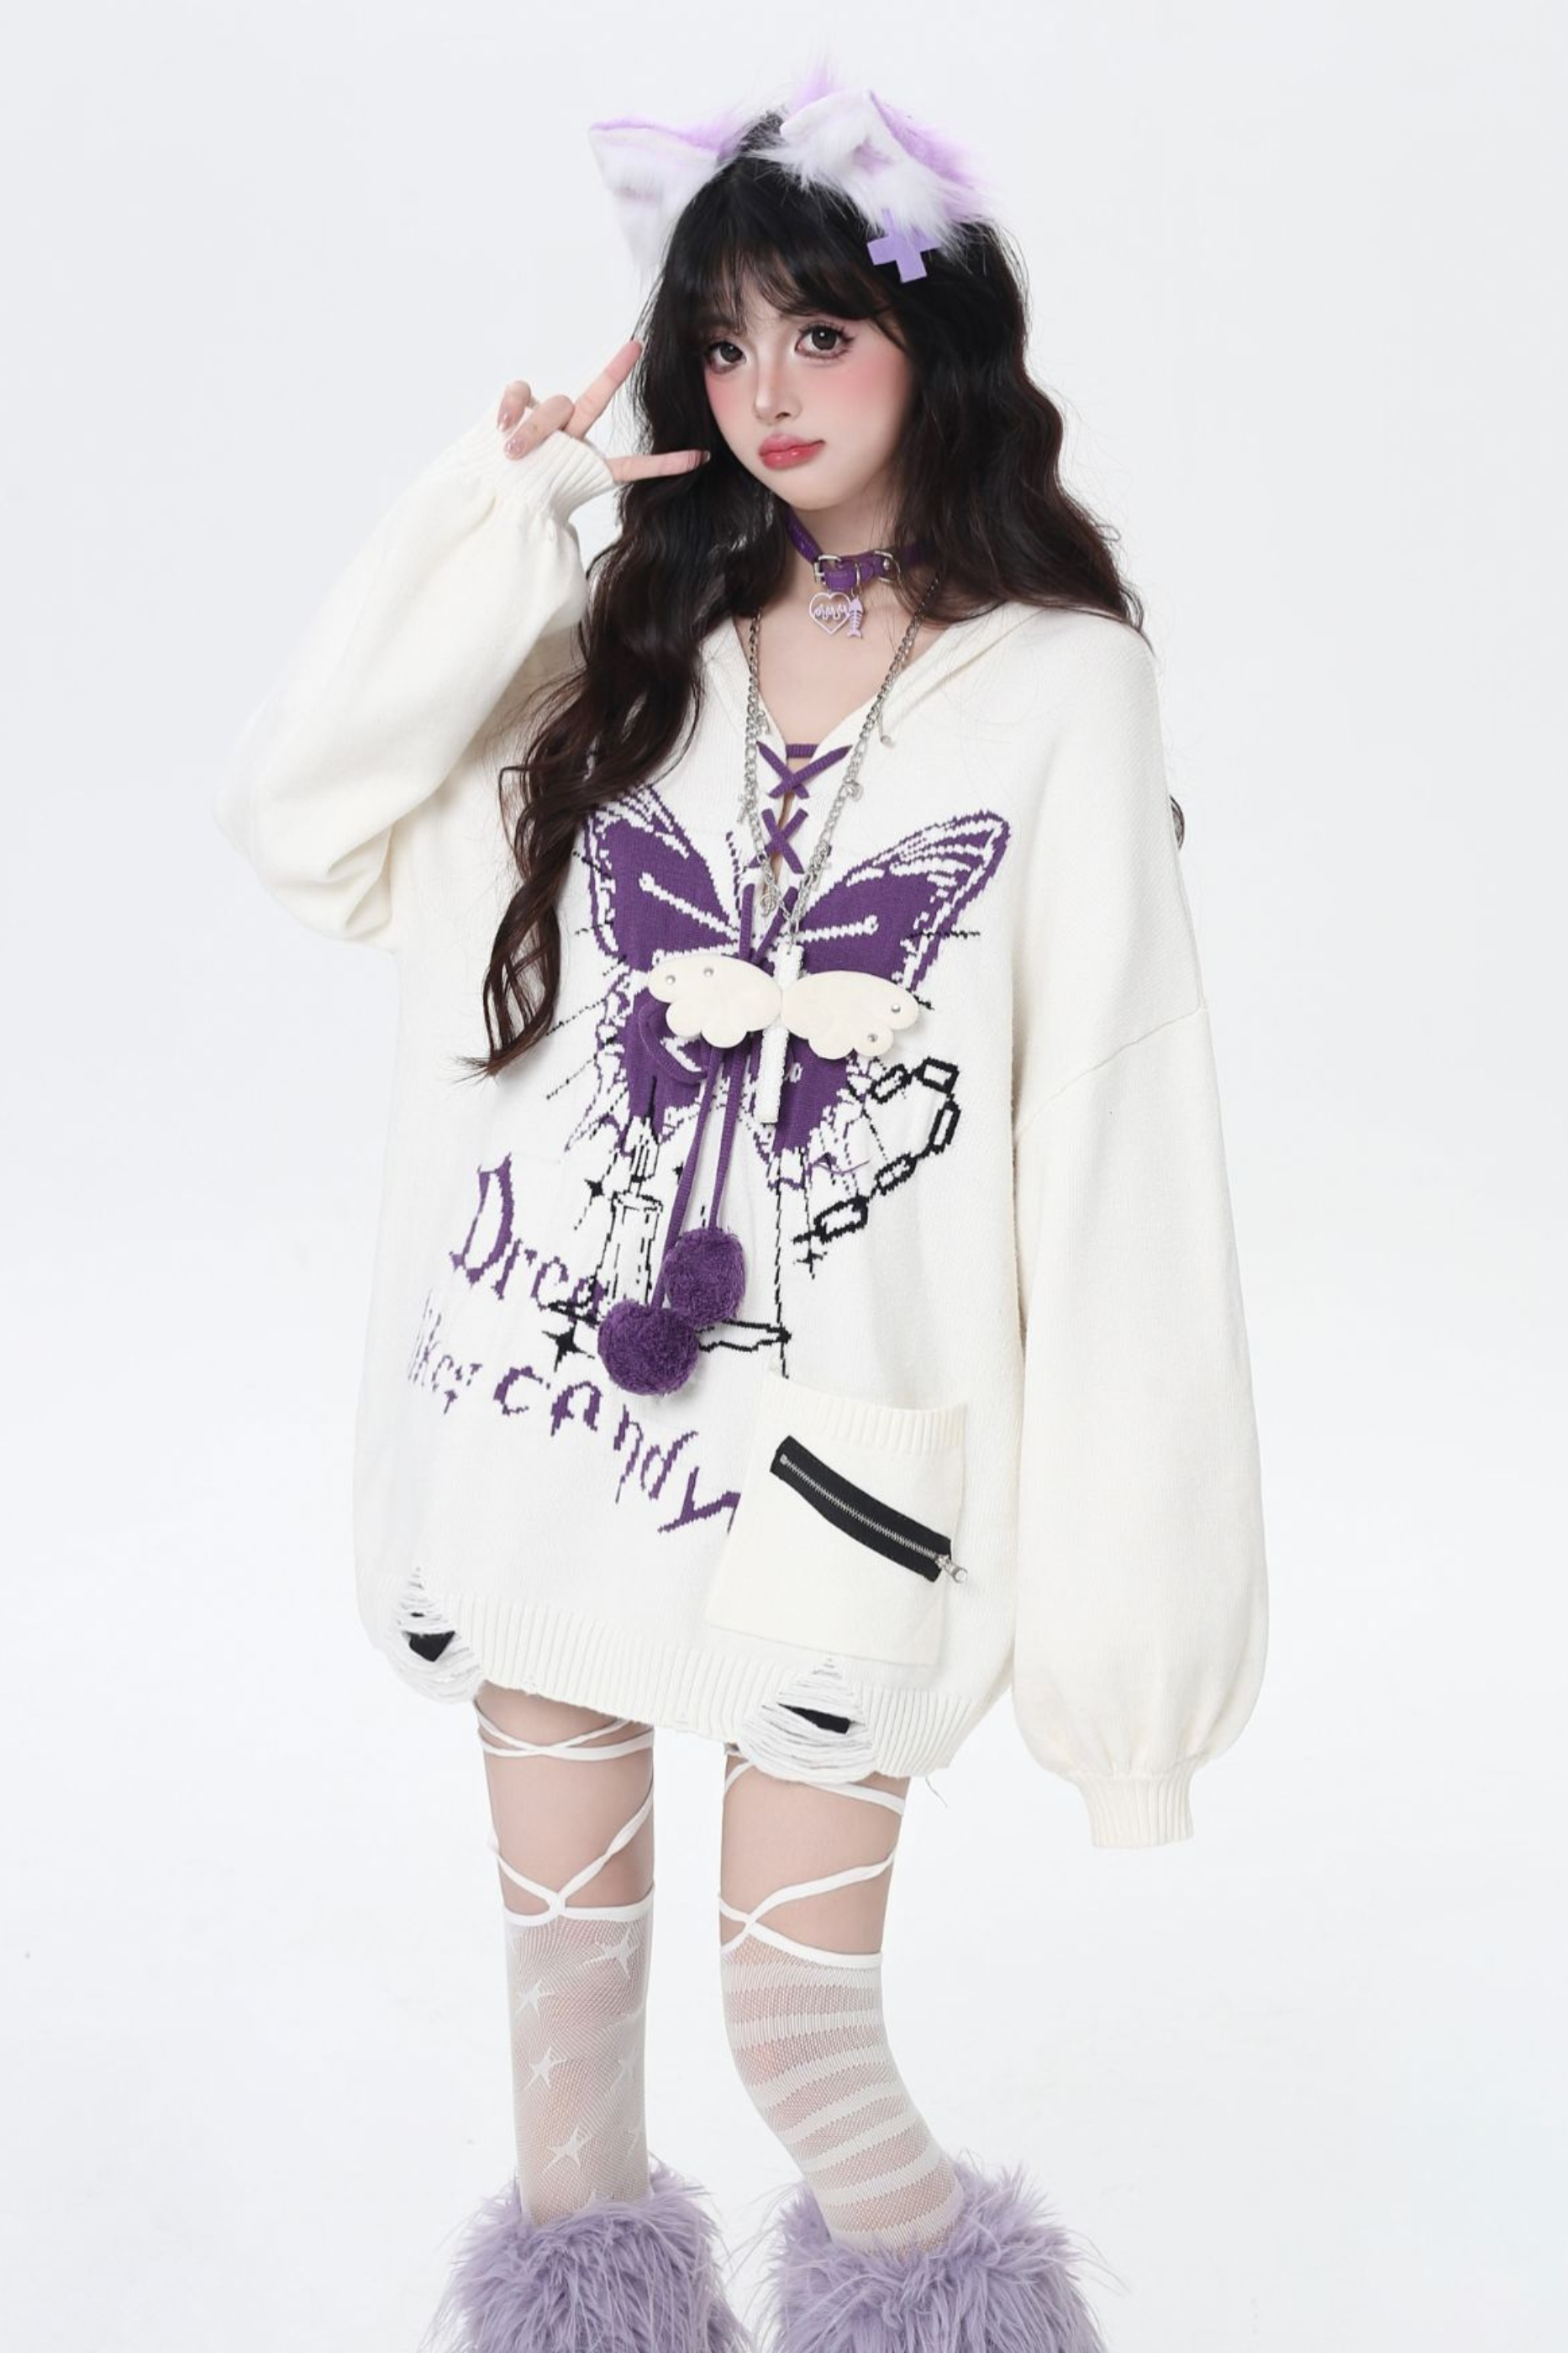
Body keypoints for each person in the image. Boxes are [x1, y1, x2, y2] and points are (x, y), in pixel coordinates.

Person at [214, 67, 1269, 2353]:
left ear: (931, 343)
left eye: (820, 332)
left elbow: (1121, 1164)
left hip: (844, 1476)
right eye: (723, 344)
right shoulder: (618, 643)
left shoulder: (1062, 694)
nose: (766, 390)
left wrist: (1137, 1675)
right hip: (549, 1433)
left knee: (799, 2032)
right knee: (568, 2071)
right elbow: (302, 818)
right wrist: (500, 514)